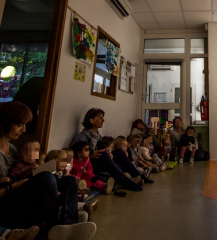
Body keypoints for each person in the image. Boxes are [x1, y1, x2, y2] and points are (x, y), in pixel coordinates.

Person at [0, 102, 96, 239]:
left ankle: (68, 224)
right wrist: (15, 185)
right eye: (19, 125)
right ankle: (55, 227)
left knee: (69, 180)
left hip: (20, 194)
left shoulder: (13, 149)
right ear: (5, 122)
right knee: (46, 178)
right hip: (6, 204)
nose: (24, 130)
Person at [71, 108, 142, 192]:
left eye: (102, 117)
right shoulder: (82, 137)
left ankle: (138, 175)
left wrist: (110, 154)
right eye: (100, 117)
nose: (103, 120)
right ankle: (126, 182)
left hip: (98, 160)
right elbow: (75, 158)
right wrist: (91, 156)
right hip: (88, 165)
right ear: (91, 120)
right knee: (104, 154)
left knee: (118, 151)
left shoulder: (97, 135)